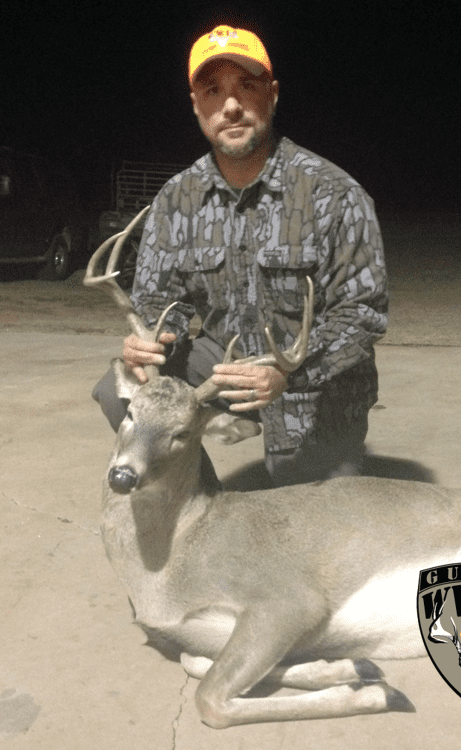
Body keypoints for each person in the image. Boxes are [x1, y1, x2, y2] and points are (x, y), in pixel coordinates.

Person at [93, 24, 388, 488]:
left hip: (312, 378)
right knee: (120, 394)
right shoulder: (178, 198)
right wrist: (152, 339)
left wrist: (290, 374)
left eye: (245, 87)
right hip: (223, 360)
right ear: (197, 106)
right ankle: (203, 506)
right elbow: (161, 300)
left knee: (303, 518)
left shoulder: (333, 192)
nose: (230, 106)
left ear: (271, 95)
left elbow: (363, 314)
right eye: (213, 91)